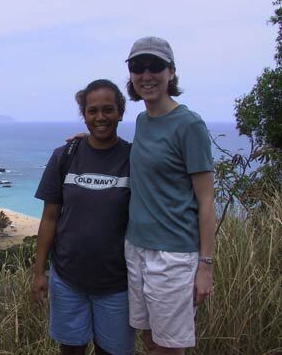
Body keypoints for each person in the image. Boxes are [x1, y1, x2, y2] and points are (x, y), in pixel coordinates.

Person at [124, 36, 216, 354]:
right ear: (131, 74)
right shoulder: (142, 120)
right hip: (136, 247)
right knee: (149, 339)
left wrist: (205, 266)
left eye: (155, 67)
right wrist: (88, 141)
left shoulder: (189, 125)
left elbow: (206, 199)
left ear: (171, 72)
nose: (146, 75)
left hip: (174, 256)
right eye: (138, 67)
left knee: (168, 348)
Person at [32, 79, 135, 355]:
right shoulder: (65, 155)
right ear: (84, 115)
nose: (100, 117)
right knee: (71, 350)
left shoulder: (134, 158)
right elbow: (50, 217)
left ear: (120, 113)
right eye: (92, 111)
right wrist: (39, 271)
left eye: (108, 109)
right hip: (67, 279)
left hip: (117, 283)